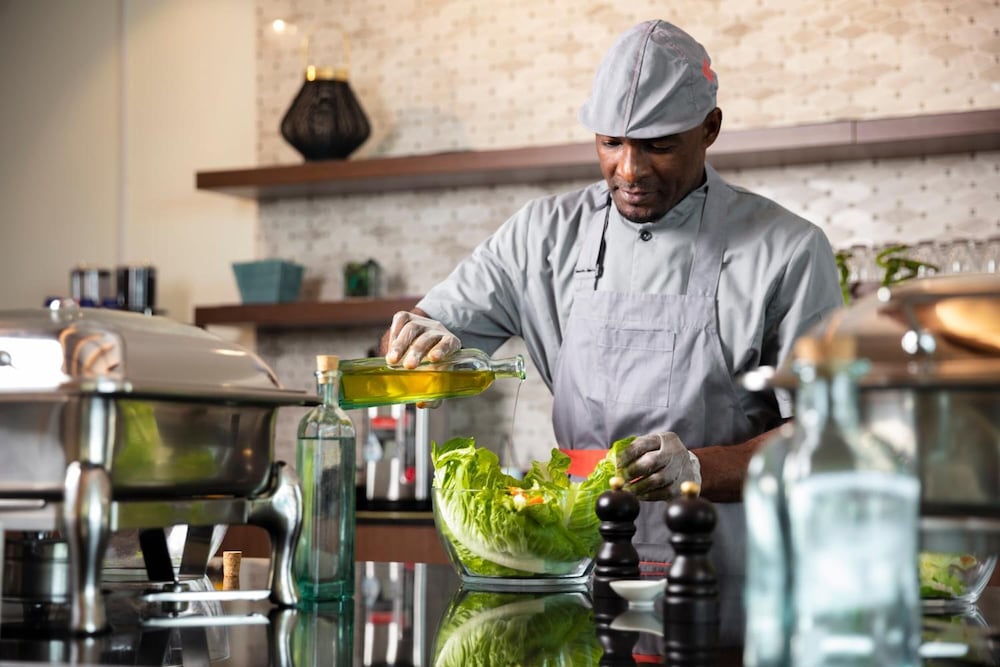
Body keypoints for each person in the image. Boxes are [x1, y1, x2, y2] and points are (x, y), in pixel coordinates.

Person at [380, 19, 843, 576]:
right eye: (611, 143)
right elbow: (415, 336)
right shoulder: (541, 235)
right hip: (577, 562)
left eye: (659, 146)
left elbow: (827, 437)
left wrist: (698, 468)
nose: (630, 170)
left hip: (730, 569)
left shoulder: (789, 249)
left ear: (710, 129)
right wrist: (420, 341)